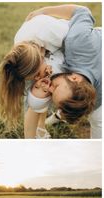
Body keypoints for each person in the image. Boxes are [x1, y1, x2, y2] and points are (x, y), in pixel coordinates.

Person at [26, 5, 101, 138]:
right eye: (55, 87)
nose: (48, 87)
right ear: (74, 78)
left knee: (98, 121)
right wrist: (43, 11)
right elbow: (82, 11)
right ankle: (56, 117)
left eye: (52, 90)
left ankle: (58, 116)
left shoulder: (96, 102)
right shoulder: (77, 41)